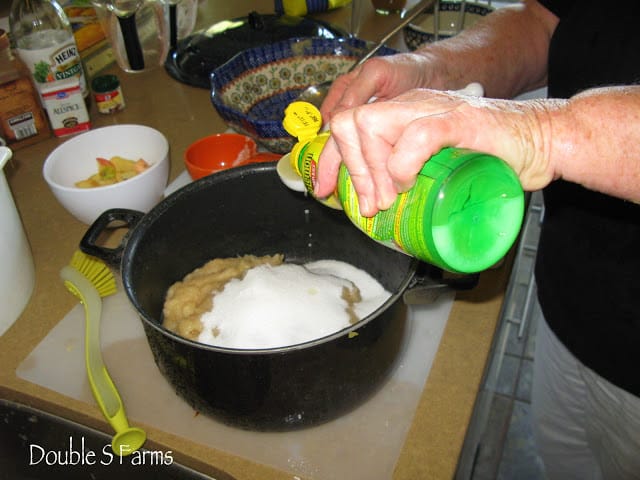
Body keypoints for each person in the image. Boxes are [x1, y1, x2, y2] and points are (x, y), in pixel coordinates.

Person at [314, 0, 640, 478]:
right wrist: (433, 71)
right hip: (572, 302)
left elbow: (542, 129)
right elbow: (546, 21)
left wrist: (541, 133)